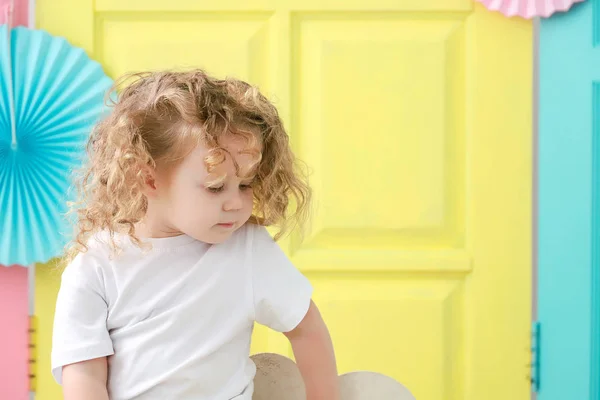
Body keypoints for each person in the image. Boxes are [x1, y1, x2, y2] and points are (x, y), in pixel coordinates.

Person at [51, 70, 340, 400]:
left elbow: (306, 329)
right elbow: (83, 372)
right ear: (148, 179)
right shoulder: (97, 265)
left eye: (246, 184)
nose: (236, 203)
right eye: (215, 187)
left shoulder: (247, 249)